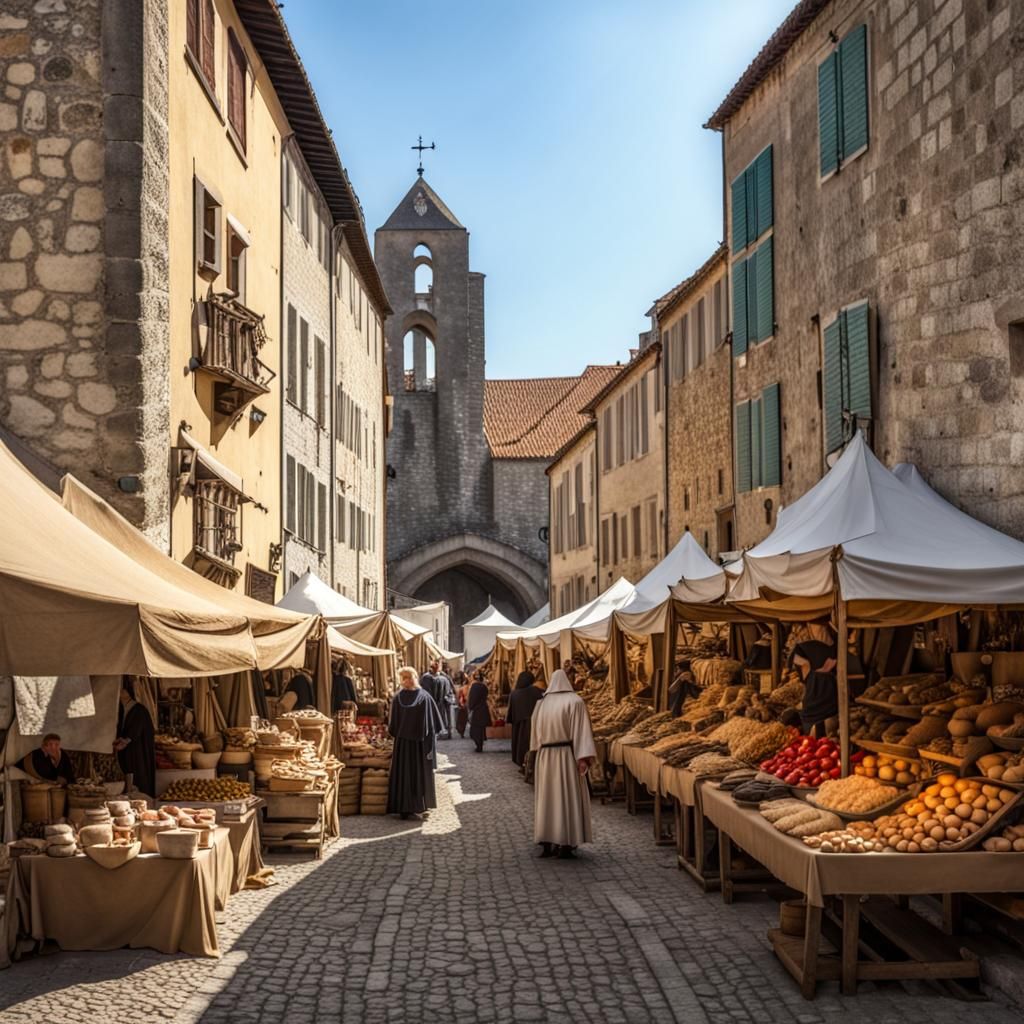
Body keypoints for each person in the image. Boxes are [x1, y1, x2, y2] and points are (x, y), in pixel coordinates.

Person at [530, 668, 596, 860]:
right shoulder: (575, 702)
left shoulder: (541, 704)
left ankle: (547, 842)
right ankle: (565, 843)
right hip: (566, 757)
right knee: (566, 797)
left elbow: (534, 736)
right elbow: (581, 732)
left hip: (545, 757)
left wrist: (537, 752)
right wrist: (582, 758)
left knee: (547, 799)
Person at [387, 666, 445, 820]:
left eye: (407, 677)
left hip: (403, 745)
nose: (407, 680)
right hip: (420, 744)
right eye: (405, 678)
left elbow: (392, 727)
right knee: (419, 774)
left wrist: (400, 733)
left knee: (404, 774)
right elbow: (434, 726)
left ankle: (404, 808)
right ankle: (420, 805)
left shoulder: (397, 698)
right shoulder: (424, 697)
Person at [114, 680, 156, 798]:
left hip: (138, 751)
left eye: (123, 691)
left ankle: (141, 798)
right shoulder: (123, 709)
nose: (120, 694)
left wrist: (126, 740)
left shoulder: (139, 710)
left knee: (139, 774)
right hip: (129, 750)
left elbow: (135, 730)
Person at [506, 669, 544, 769]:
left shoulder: (514, 694)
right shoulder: (536, 691)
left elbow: (511, 711)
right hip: (534, 723)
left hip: (519, 725)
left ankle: (523, 764)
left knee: (520, 746)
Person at [467, 671, 491, 752]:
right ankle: (480, 745)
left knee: (476, 729)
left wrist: (470, 707)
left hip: (477, 711)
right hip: (483, 709)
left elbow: (472, 699)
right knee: (481, 729)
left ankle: (478, 745)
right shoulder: (484, 686)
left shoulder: (474, 686)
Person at [434, 662, 456, 740]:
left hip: (441, 701)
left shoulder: (437, 679)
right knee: (449, 718)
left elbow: (436, 692)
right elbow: (453, 688)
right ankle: (449, 733)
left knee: (442, 718)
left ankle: (443, 733)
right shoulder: (447, 678)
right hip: (448, 700)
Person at [453, 671, 469, 738]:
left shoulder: (465, 686)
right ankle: (461, 731)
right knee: (462, 718)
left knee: (461, 718)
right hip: (463, 703)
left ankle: (461, 730)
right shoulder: (465, 686)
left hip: (463, 703)